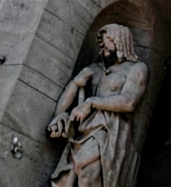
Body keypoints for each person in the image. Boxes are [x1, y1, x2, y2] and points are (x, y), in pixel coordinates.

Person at [47, 24, 149, 187]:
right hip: (83, 130)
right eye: (102, 40)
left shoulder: (135, 69)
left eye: (109, 39)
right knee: (72, 177)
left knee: (89, 176)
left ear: (121, 41)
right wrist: (60, 114)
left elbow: (129, 102)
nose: (103, 44)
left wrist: (92, 102)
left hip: (110, 130)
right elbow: (70, 96)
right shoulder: (93, 69)